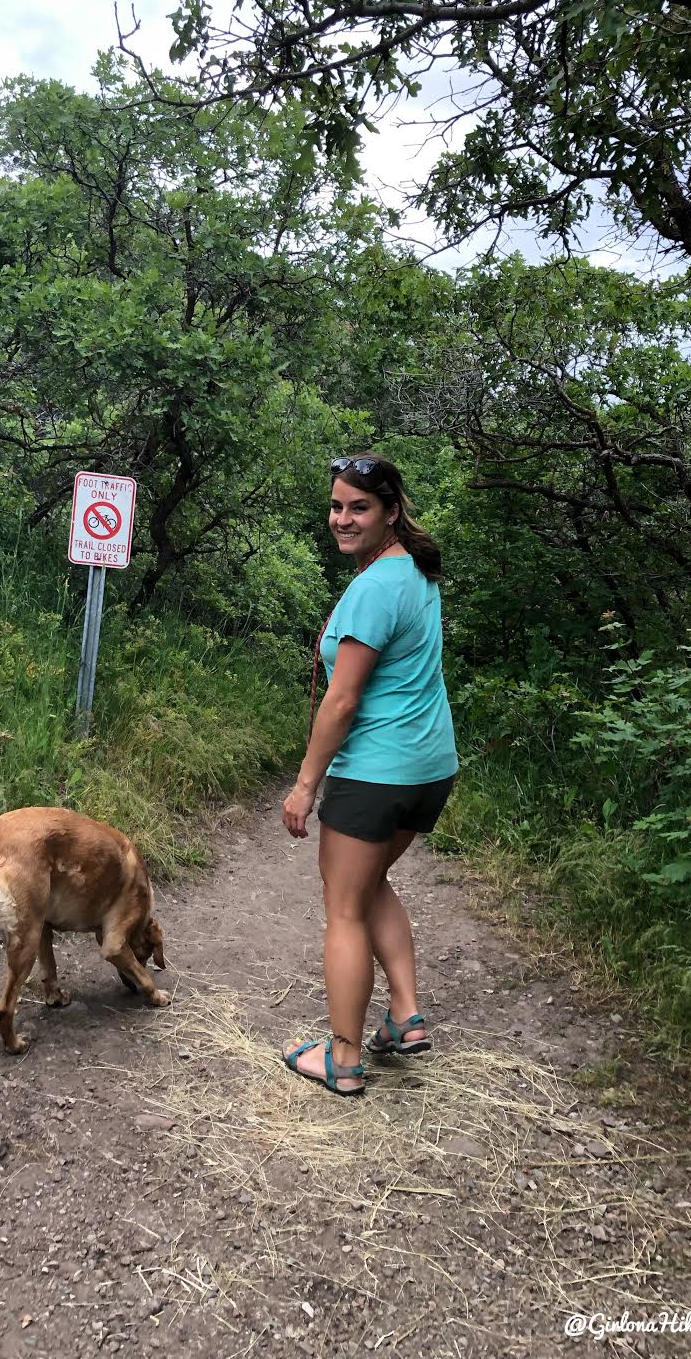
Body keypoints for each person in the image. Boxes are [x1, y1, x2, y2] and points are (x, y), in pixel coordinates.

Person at [281, 453, 458, 1097]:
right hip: (429, 766)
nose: (343, 518)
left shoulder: (376, 586)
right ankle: (406, 1017)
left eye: (359, 507)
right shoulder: (414, 571)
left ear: (390, 511)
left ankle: (344, 1057)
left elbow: (343, 700)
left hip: (378, 770)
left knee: (344, 909)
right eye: (337, 506)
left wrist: (305, 784)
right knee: (371, 880)